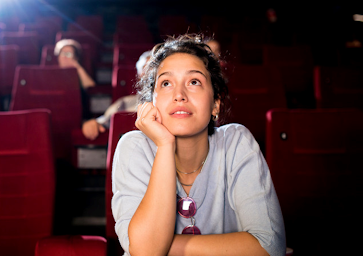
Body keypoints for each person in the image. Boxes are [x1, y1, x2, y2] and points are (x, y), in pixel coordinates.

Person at [111, 34, 285, 256]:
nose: (179, 95)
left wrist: (164, 246)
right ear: (150, 104)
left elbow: (270, 246)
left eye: (194, 82)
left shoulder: (236, 141)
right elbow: (146, 253)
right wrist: (165, 145)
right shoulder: (133, 147)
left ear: (215, 104)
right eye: (166, 83)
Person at [82, 50, 151, 140]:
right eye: (146, 68)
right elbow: (103, 120)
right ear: (139, 76)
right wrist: (94, 123)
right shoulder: (125, 102)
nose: (150, 74)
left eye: (155, 68)